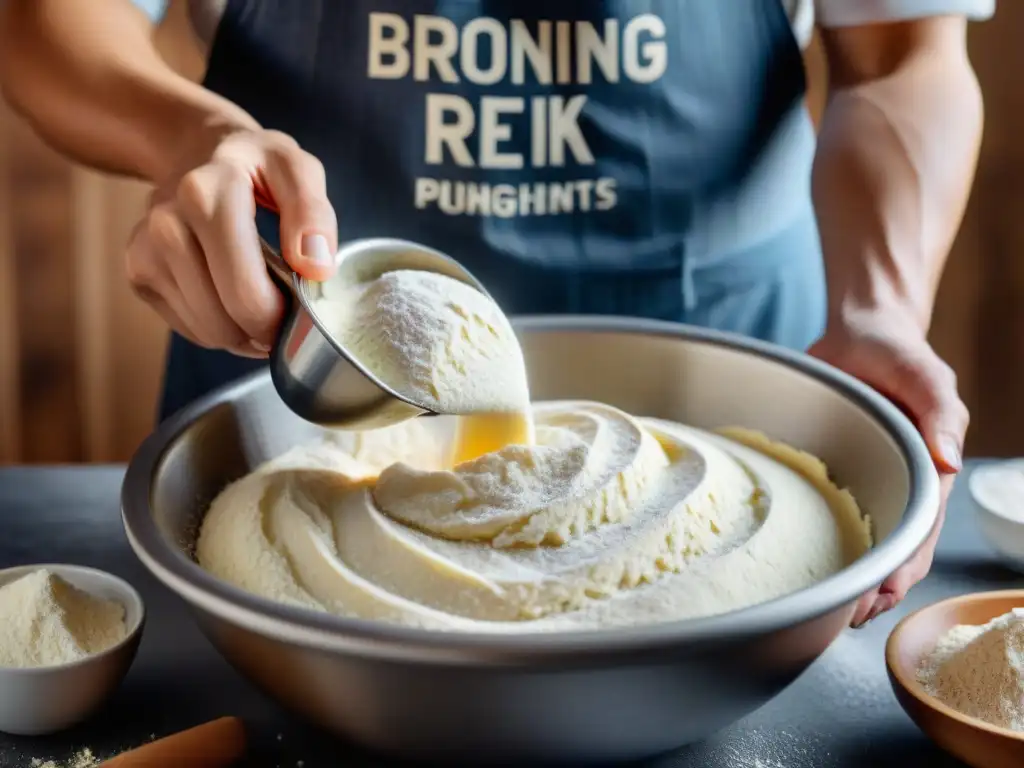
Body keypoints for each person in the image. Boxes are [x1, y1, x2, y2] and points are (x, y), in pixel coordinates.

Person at [0, 0, 991, 626]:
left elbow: (901, 55)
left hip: (729, 376)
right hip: (307, 371)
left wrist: (882, 307)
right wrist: (188, 137)